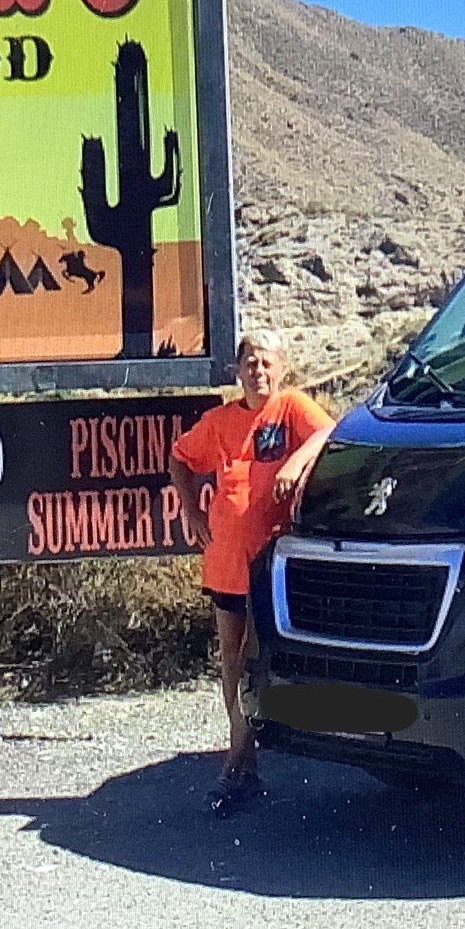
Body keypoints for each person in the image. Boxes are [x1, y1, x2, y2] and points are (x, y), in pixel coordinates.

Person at [168, 331, 338, 815]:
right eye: (248, 363)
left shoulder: (291, 409)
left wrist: (298, 462)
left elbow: (331, 432)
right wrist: (191, 511)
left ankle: (237, 765)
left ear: (280, 368)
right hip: (225, 561)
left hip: (272, 564)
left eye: (265, 363)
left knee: (260, 662)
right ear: (237, 370)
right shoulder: (221, 420)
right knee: (231, 663)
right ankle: (243, 762)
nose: (257, 371)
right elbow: (180, 457)